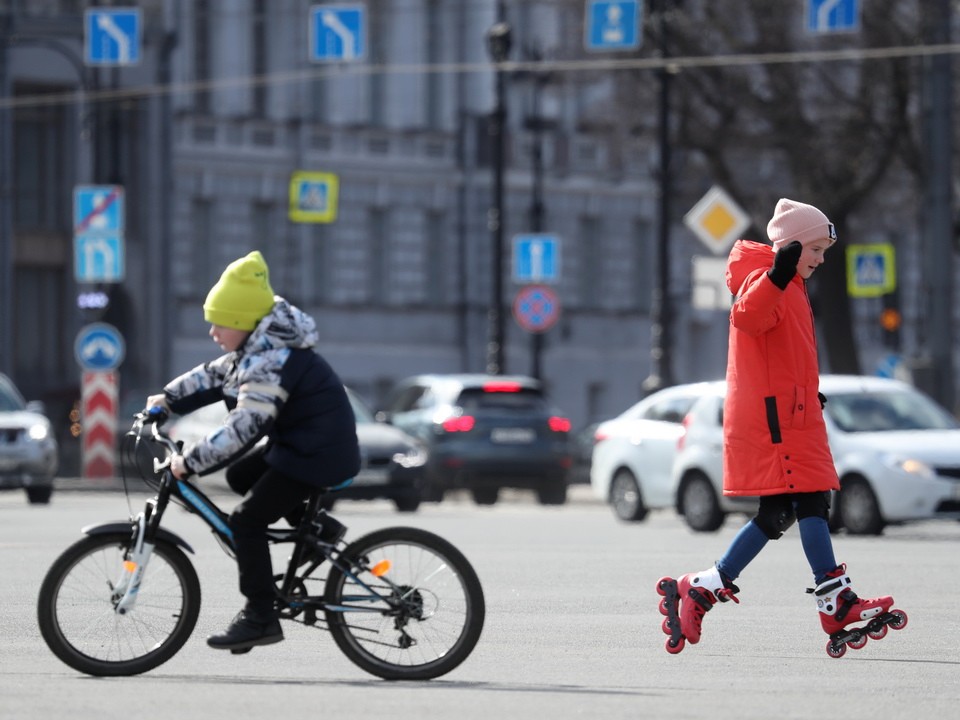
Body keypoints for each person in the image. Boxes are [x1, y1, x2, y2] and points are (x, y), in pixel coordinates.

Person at [657, 199, 898, 653]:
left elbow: (782, 354)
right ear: (791, 246)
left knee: (777, 514)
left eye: (825, 251)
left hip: (793, 412)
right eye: (815, 249)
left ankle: (704, 587)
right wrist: (775, 275)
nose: (821, 259)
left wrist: (810, 392)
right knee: (811, 497)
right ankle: (835, 599)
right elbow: (747, 316)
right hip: (777, 420)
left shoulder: (791, 284)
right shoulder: (766, 278)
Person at [146, 250, 360, 652]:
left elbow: (244, 427)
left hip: (317, 454)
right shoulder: (259, 349)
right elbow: (214, 375)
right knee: (240, 476)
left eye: (219, 323)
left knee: (246, 521)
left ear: (244, 324)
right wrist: (168, 399)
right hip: (304, 446)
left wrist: (187, 463)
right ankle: (318, 530)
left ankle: (260, 617)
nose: (212, 332)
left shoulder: (271, 361)